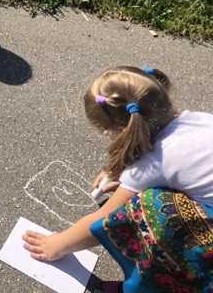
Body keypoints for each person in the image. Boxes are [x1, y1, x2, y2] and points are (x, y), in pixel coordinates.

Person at [22, 66, 213, 292]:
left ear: (120, 130)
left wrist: (57, 245)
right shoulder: (199, 119)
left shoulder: (149, 165)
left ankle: (160, 285)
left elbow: (102, 219)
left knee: (150, 207)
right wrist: (128, 177)